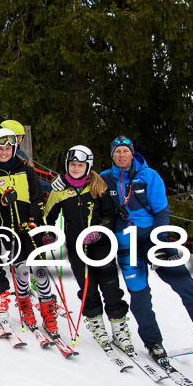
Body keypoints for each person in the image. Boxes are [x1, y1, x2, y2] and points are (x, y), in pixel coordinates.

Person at [99, 135, 193, 359]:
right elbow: (80, 185)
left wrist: (159, 239)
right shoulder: (104, 179)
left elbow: (162, 211)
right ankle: (154, 343)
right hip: (126, 243)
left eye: (125, 151)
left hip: (155, 239)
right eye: (117, 151)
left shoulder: (149, 176)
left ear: (132, 153)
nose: (121, 155)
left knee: (185, 284)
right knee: (140, 294)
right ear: (112, 155)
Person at [43, 145, 131, 349]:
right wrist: (47, 234)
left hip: (101, 244)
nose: (76, 168)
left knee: (110, 286)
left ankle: (119, 329)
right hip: (76, 247)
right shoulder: (60, 190)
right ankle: (97, 326)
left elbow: (110, 215)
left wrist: (99, 230)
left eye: (80, 165)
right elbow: (48, 217)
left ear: (87, 166)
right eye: (72, 165)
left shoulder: (97, 185)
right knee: (87, 288)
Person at [0, 127, 59, 337]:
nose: (4, 152)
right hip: (9, 229)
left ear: (14, 148)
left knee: (40, 268)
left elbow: (37, 197)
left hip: (30, 227)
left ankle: (47, 311)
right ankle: (25, 306)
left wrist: (34, 219)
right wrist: (0, 202)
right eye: (0, 149)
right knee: (21, 270)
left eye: (8, 148)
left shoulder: (26, 169)